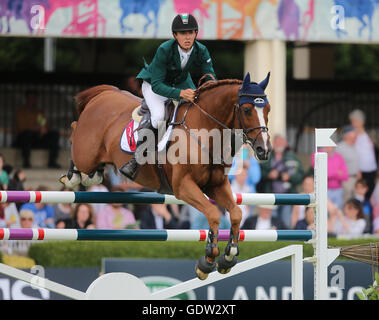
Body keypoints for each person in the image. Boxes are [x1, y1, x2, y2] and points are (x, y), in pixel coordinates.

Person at [120, 13, 217, 180]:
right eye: (183, 33)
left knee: (199, 109)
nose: (187, 37)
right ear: (175, 35)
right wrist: (180, 94)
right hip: (154, 85)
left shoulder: (202, 50)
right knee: (158, 117)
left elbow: (210, 76)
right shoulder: (165, 49)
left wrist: (211, 92)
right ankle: (135, 161)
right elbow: (158, 85)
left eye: (191, 33)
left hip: (180, 82)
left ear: (196, 33)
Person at [259, 134, 305, 229]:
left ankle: (285, 241)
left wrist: (289, 177)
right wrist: (269, 174)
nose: (279, 144)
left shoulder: (292, 157)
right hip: (271, 196)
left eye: (281, 142)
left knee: (286, 223)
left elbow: (300, 175)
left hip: (287, 196)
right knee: (273, 223)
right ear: (273, 144)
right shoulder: (266, 157)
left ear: (285, 144)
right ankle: (273, 242)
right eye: (277, 142)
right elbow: (259, 172)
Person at [13, 90, 60, 168]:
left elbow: (43, 124)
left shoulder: (39, 112)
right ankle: (26, 161)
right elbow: (21, 128)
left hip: (37, 138)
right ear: (27, 99)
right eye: (30, 98)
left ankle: (52, 161)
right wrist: (34, 128)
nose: (32, 100)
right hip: (24, 140)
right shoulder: (21, 111)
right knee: (27, 134)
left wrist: (43, 128)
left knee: (54, 134)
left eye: (34, 98)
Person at [349, 109, 377, 200]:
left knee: (371, 193)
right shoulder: (351, 136)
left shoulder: (371, 134)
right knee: (359, 195)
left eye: (355, 121)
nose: (353, 124)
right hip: (359, 172)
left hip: (372, 170)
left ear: (362, 122)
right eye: (352, 121)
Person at [335, 125, 361, 203]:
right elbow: (337, 164)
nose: (356, 135)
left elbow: (355, 161)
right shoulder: (340, 148)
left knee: (355, 202)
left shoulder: (355, 146)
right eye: (354, 133)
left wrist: (358, 171)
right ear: (347, 135)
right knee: (347, 201)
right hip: (347, 180)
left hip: (356, 178)